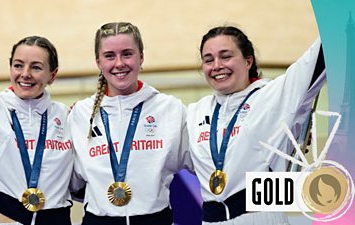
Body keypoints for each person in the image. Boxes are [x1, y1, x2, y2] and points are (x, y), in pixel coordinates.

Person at [186, 26, 325, 224]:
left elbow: (318, 56)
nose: (216, 65)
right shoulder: (194, 112)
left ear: (248, 61)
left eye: (225, 56)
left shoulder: (274, 96)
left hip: (261, 217)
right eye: (208, 60)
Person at [69, 22, 193, 225]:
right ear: (98, 62)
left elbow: (207, 163)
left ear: (141, 57)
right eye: (109, 56)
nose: (119, 63)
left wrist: (257, 207)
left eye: (127, 54)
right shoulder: (80, 114)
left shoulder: (171, 109)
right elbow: (71, 181)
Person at [0, 36, 74, 225]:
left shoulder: (68, 117)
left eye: (36, 67)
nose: (25, 74)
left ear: (52, 75)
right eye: (18, 65)